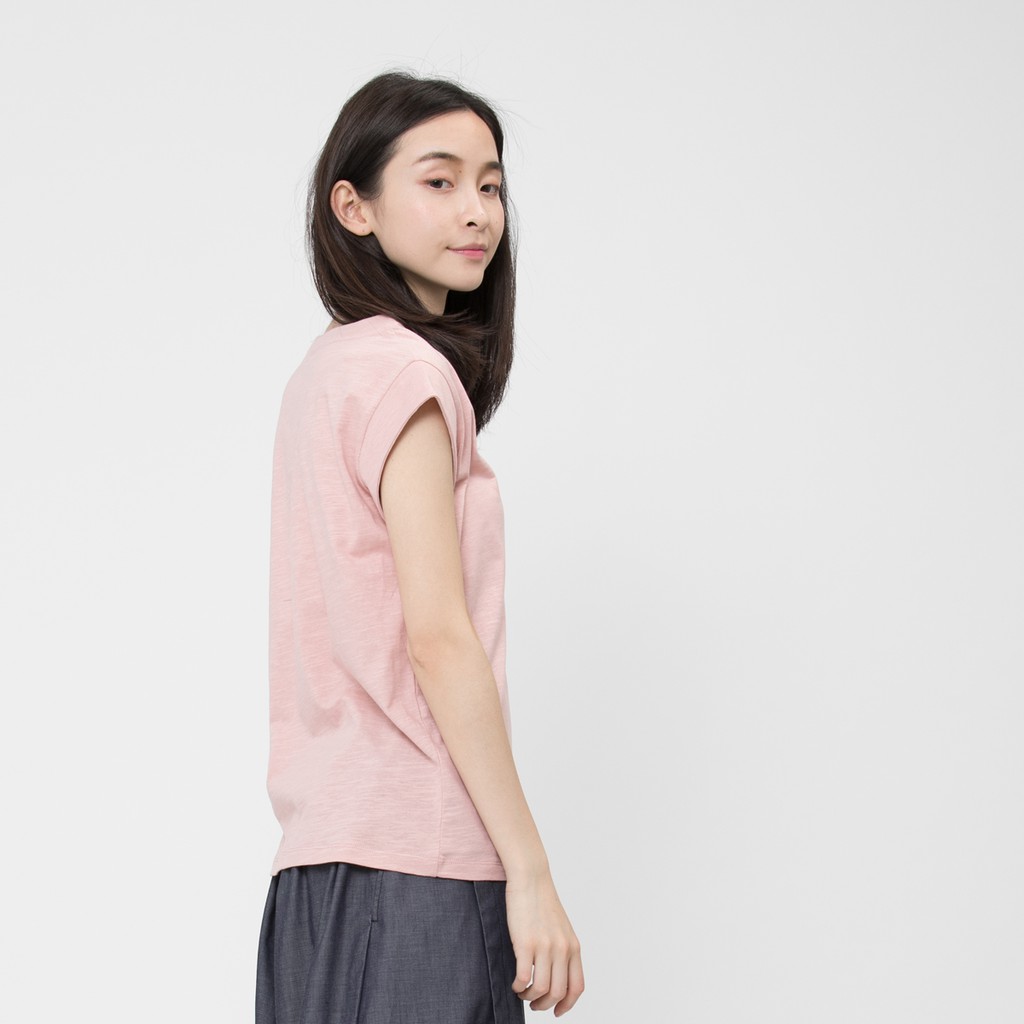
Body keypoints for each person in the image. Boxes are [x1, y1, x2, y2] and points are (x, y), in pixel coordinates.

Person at [255, 71, 585, 1023]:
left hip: (316, 879)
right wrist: (531, 870)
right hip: (421, 870)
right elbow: (438, 638)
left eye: (490, 185)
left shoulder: (326, 372)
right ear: (352, 207)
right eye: (439, 182)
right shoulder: (407, 373)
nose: (477, 211)